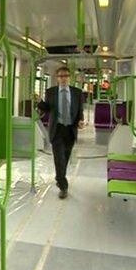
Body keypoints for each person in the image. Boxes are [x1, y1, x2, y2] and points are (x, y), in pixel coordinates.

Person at [36, 66, 85, 199]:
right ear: (57, 78)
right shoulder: (51, 92)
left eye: (66, 76)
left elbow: (80, 109)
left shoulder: (77, 92)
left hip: (70, 130)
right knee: (59, 159)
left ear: (69, 78)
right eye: (61, 76)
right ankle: (63, 186)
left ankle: (59, 178)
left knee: (66, 158)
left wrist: (81, 120)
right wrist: (40, 102)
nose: (63, 78)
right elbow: (47, 109)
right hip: (57, 130)